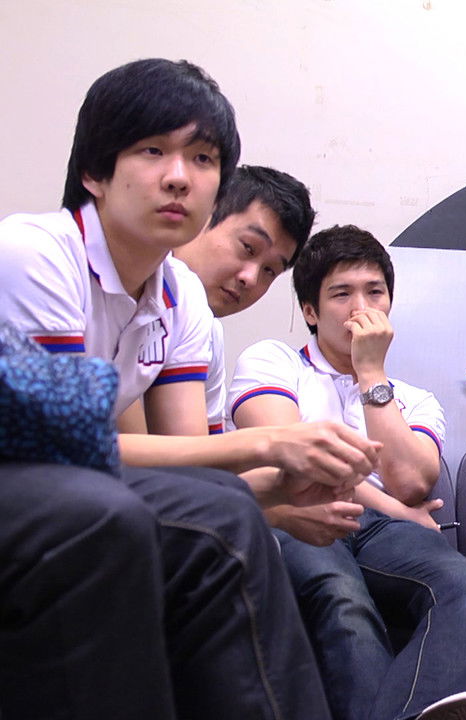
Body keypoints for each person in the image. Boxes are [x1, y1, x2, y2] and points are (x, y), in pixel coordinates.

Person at [0, 58, 363, 720]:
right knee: (130, 514)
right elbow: (67, 450)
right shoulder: (38, 253)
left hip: (69, 476)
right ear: (95, 171)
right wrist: (273, 444)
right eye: (152, 151)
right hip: (25, 471)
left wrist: (280, 485)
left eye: (202, 158)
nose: (179, 176)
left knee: (222, 508)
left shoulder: (178, 296)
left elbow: (188, 463)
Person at [228, 225, 466, 720]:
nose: (361, 308)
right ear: (310, 311)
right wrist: (396, 508)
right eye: (341, 294)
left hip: (384, 533)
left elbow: (412, 482)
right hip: (298, 515)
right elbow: (296, 464)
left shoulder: (414, 400)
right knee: (342, 599)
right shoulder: (272, 362)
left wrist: (371, 375)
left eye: (375, 292)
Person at [117, 163, 317, 436]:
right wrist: (272, 442)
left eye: (270, 270)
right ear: (204, 214)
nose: (250, 278)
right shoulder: (121, 282)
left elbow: (194, 451)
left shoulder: (208, 332)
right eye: (248, 247)